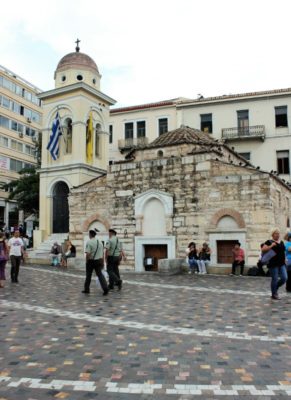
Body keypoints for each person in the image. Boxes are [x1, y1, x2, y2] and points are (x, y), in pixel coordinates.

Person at [262, 228, 287, 300]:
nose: (278, 235)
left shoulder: (281, 242)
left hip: (281, 263)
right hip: (273, 263)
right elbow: (263, 250)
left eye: (278, 233)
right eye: (276, 233)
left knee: (284, 278)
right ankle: (274, 294)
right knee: (275, 278)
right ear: (273, 234)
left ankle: (275, 288)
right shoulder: (269, 241)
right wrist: (271, 246)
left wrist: (285, 258)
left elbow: (283, 251)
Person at [82, 229, 108, 295]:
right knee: (100, 275)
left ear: (90, 235)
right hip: (99, 260)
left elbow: (88, 254)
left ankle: (86, 289)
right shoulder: (100, 242)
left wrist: (87, 261)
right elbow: (102, 253)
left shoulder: (89, 242)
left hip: (91, 261)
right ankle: (105, 288)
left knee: (88, 275)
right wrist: (102, 261)